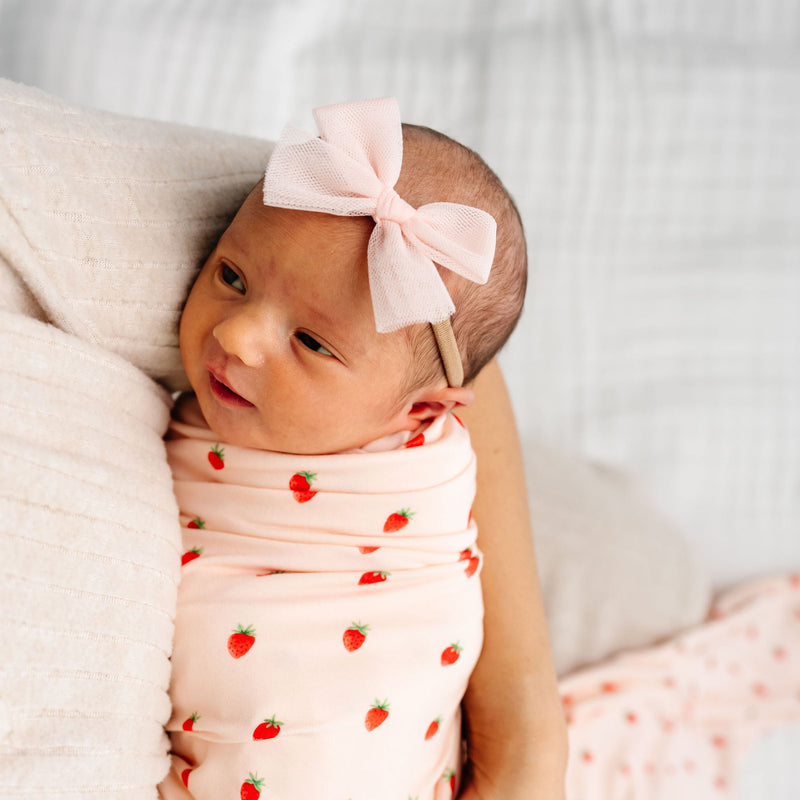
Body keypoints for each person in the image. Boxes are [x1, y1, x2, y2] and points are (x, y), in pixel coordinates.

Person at [159, 98, 565, 799]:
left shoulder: (424, 456)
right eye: (232, 277)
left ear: (422, 413)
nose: (237, 337)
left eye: (311, 343)